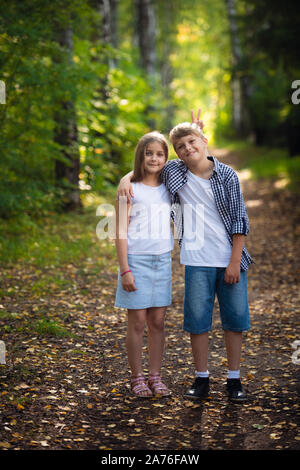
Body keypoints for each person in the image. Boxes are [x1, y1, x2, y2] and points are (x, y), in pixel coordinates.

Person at [117, 110, 253, 402]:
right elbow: (148, 166)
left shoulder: (227, 174)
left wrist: (233, 261)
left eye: (193, 143)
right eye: (181, 147)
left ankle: (234, 379)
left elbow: (241, 220)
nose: (188, 150)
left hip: (229, 260)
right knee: (197, 321)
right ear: (176, 153)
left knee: (235, 320)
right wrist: (126, 178)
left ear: (205, 141)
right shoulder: (175, 174)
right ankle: (201, 378)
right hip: (195, 260)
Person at [115, 131, 173, 398]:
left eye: (159, 153)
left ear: (165, 157)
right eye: (148, 153)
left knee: (158, 321)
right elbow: (120, 231)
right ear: (141, 155)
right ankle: (137, 378)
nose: (154, 158)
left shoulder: (170, 184)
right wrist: (125, 269)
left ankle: (155, 376)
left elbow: (193, 162)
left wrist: (200, 134)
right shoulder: (129, 188)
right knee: (137, 321)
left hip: (162, 260)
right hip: (136, 261)